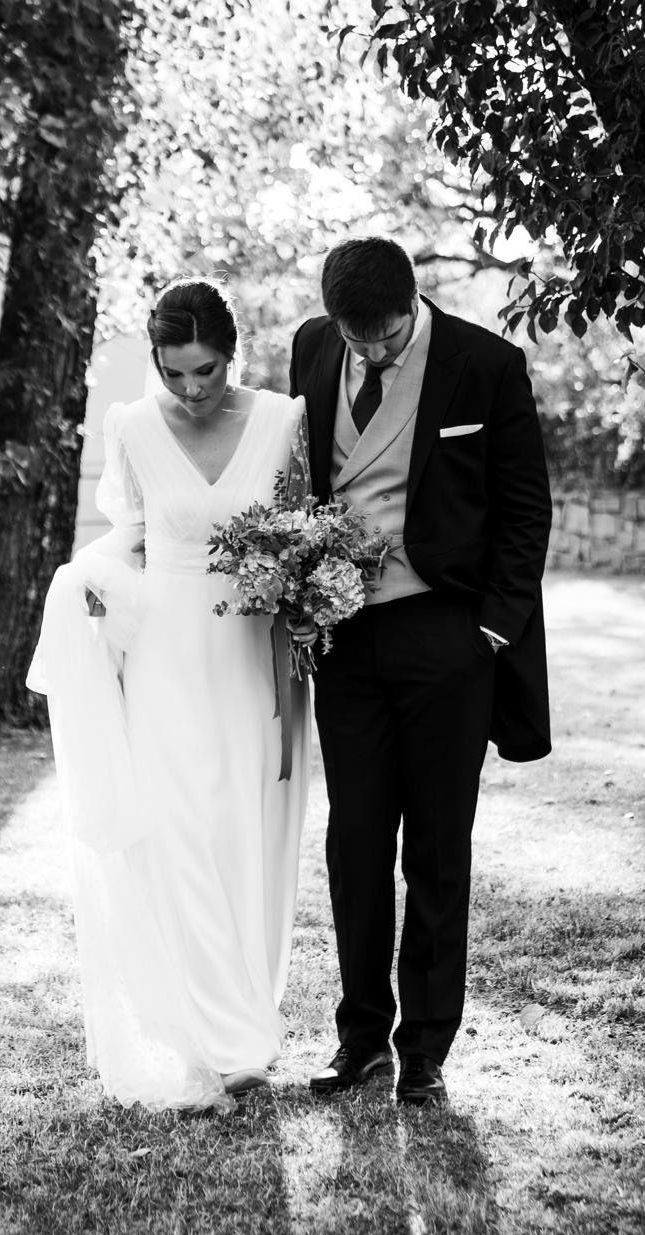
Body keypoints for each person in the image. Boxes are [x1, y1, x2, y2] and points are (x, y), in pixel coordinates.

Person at [29, 278, 310, 1112]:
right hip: (165, 658)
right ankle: (224, 1045)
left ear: (233, 354)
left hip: (253, 654)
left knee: (248, 835)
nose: (191, 388)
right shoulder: (133, 427)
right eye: (174, 371)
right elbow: (133, 536)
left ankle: (248, 1012)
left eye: (207, 370)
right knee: (180, 835)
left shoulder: (282, 422)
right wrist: (88, 583)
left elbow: (303, 530)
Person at [289, 237, 552, 1107]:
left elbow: (525, 509)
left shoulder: (486, 365)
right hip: (345, 642)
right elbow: (302, 480)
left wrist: (490, 631)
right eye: (355, 339)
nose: (370, 353)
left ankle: (426, 1051)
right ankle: (360, 1038)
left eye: (388, 337)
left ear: (414, 301)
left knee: (437, 848)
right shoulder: (311, 347)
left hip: (447, 633)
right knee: (355, 843)